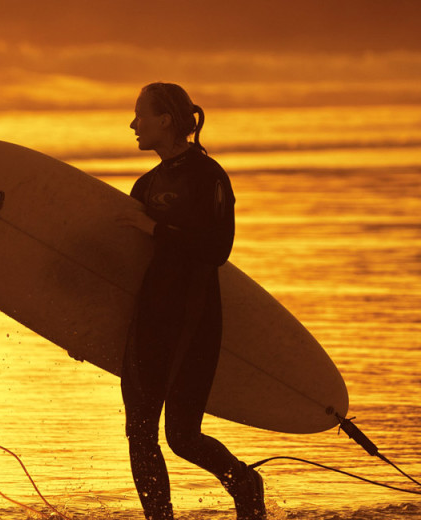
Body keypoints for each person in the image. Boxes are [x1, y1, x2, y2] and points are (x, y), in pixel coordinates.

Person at [116, 82, 267, 520]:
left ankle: (244, 481)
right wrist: (87, 323)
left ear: (165, 120)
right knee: (139, 434)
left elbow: (216, 249)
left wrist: (153, 228)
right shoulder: (145, 185)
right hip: (148, 318)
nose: (133, 124)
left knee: (182, 435)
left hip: (192, 317)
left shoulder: (208, 177)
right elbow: (124, 267)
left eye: (140, 115)